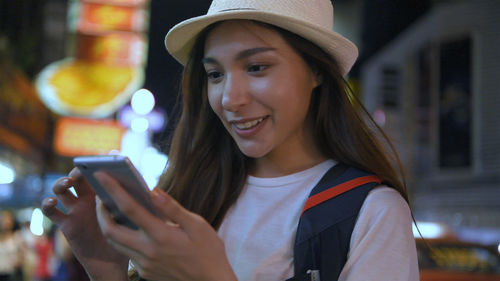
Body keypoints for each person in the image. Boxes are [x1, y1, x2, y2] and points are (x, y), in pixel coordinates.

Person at [42, 0, 420, 280]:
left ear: (317, 71)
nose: (229, 99)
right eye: (215, 74)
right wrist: (103, 263)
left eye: (257, 67)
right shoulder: (186, 191)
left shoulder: (370, 212)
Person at [0, 210, 25, 281]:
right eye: (4, 220)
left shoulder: (17, 236)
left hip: (12, 274)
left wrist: (18, 261)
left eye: (9, 220)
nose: (6, 223)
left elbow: (23, 254)